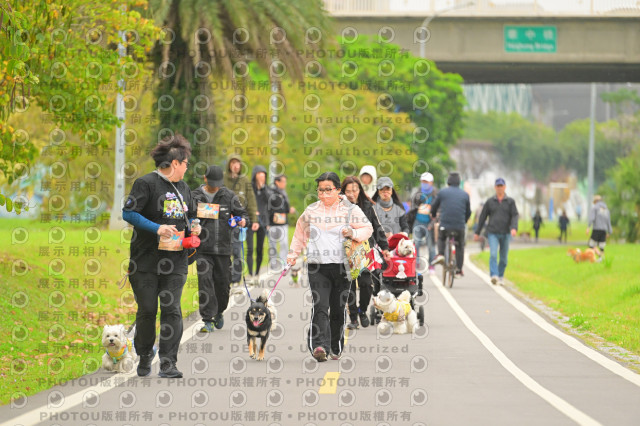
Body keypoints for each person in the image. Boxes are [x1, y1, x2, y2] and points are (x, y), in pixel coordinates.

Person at [122, 134, 201, 379]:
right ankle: (145, 353)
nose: (187, 168)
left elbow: (192, 215)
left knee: (172, 309)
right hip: (145, 261)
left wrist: (195, 227)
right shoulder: (145, 183)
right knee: (147, 310)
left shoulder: (184, 188)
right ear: (175, 163)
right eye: (185, 163)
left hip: (176, 261)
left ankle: (168, 363)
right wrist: (157, 228)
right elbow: (128, 213)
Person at [287, 172, 373, 362]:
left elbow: (368, 229)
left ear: (337, 190)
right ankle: (320, 346)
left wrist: (352, 233)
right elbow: (300, 234)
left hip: (343, 268)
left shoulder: (350, 210)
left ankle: (335, 346)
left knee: (337, 309)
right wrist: (293, 255)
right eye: (320, 190)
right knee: (320, 306)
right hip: (317, 267)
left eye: (328, 190)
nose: (324, 194)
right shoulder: (311, 210)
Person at [192, 165, 249, 332]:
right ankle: (207, 319)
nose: (215, 187)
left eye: (217, 184)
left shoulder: (228, 196)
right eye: (212, 184)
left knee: (223, 286)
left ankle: (219, 311)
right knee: (205, 282)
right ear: (205, 179)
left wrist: (242, 220)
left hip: (223, 249)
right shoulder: (195, 196)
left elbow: (243, 214)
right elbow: (187, 216)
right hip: (202, 249)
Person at [341, 176, 391, 330]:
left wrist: (385, 248)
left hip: (365, 251)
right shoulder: (339, 207)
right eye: (348, 191)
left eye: (354, 190)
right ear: (343, 192)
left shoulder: (367, 206)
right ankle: (353, 318)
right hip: (345, 252)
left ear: (359, 190)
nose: (351, 194)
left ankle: (362, 311)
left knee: (366, 284)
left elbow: (377, 228)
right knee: (348, 286)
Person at [474, 177, 519, 286]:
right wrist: (477, 232)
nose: (499, 188)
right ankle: (494, 275)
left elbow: (515, 215)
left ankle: (500, 276)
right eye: (498, 186)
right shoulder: (490, 202)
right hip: (493, 232)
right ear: (495, 187)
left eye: (501, 186)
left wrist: (514, 228)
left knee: (503, 258)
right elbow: (483, 217)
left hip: (506, 232)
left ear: (505, 187)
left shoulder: (510, 202)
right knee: (493, 254)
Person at [223, 154, 258, 285]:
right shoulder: (223, 178)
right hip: (224, 221)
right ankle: (226, 277)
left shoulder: (244, 180)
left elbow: (251, 201)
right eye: (233, 163)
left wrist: (254, 220)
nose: (235, 166)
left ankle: (236, 279)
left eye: (237, 163)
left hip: (239, 221)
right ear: (229, 165)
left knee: (237, 250)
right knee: (225, 251)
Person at [430, 172, 471, 276]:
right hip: (459, 226)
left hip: (445, 225)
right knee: (460, 245)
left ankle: (441, 254)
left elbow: (434, 206)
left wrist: (433, 215)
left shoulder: (442, 192)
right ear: (459, 182)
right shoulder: (465, 195)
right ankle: (459, 269)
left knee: (441, 237)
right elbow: (468, 212)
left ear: (448, 181)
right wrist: (464, 221)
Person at [408, 172, 437, 274]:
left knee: (431, 246)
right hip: (418, 222)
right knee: (416, 244)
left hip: (429, 224)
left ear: (431, 182)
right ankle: (416, 263)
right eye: (423, 181)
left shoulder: (435, 195)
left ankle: (432, 265)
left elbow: (438, 211)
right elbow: (412, 208)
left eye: (426, 182)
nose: (424, 184)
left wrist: (432, 223)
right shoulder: (417, 193)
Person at [267, 175, 296, 269]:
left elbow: (285, 207)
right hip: (272, 224)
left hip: (283, 223)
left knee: (284, 243)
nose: (285, 184)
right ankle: (274, 265)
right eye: (283, 181)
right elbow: (267, 208)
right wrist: (267, 222)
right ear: (277, 182)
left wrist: (289, 210)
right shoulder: (270, 192)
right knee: (272, 245)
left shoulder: (284, 193)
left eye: (285, 182)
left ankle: (284, 263)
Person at [248, 165, 270, 281]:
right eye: (260, 175)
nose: (262, 177)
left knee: (260, 249)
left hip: (263, 221)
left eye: (264, 175)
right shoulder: (249, 188)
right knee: (250, 248)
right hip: (251, 220)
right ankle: (250, 273)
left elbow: (270, 202)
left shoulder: (266, 189)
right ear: (255, 175)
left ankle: (257, 273)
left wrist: (263, 188)